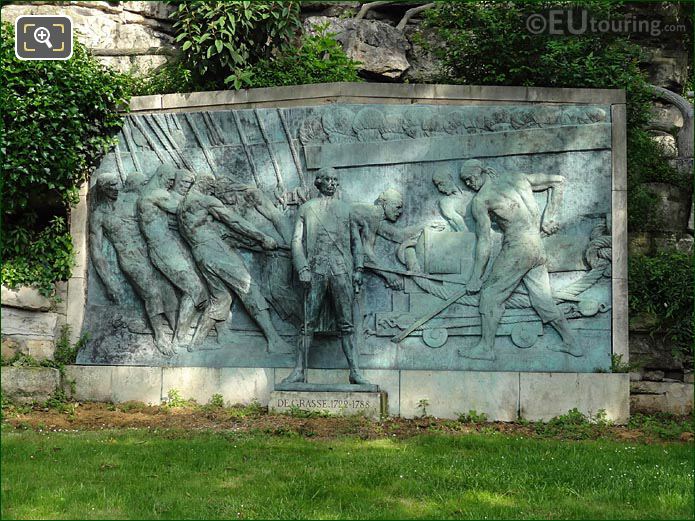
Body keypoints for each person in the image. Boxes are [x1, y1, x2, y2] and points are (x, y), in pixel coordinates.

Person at [459, 159, 581, 360]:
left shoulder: (482, 200)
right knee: (542, 301)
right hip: (537, 248)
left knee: (490, 295)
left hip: (517, 249)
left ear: (479, 173)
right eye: (466, 182)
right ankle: (571, 342)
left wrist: (476, 277)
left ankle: (486, 348)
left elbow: (484, 243)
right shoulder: (517, 178)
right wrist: (551, 215)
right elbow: (558, 181)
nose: (468, 185)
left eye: (469, 179)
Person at [178, 172, 292, 352]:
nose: (214, 192)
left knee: (221, 297)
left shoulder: (182, 206)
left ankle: (195, 343)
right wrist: (262, 237)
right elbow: (235, 222)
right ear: (207, 185)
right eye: (212, 188)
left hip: (200, 253)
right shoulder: (205, 201)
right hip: (214, 250)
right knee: (248, 287)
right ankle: (274, 341)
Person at [282, 168, 368, 385]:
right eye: (328, 180)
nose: (332, 184)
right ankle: (300, 370)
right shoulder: (306, 208)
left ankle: (355, 371)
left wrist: (358, 269)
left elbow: (356, 243)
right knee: (307, 323)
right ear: (318, 183)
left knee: (347, 324)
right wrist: (302, 267)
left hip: (341, 270)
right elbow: (296, 242)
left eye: (335, 180)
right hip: (315, 271)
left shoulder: (346, 210)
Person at [89, 171, 178, 356]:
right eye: (110, 186)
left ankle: (178, 333)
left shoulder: (132, 200)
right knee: (152, 294)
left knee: (169, 292)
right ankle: (160, 335)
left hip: (151, 253)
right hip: (130, 259)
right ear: (102, 189)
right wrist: (108, 281)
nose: (115, 189)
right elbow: (96, 250)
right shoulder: (98, 215)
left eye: (116, 184)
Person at [137, 166, 207, 351]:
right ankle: (179, 338)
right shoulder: (157, 194)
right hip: (164, 250)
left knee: (197, 289)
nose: (171, 183)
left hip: (170, 247)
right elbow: (183, 210)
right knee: (195, 289)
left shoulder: (155, 194)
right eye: (170, 179)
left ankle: (181, 334)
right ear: (161, 176)